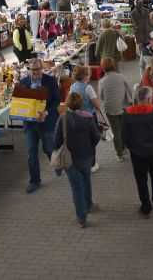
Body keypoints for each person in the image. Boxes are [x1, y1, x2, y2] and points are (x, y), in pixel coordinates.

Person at [54, 91, 100, 228]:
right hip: (86, 156)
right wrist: (90, 146)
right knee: (86, 179)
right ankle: (89, 204)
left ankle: (81, 218)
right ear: (81, 103)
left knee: (75, 187)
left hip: (69, 159)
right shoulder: (89, 118)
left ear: (67, 103)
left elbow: (56, 140)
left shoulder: (62, 119)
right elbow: (96, 137)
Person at [122, 86, 153, 218]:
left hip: (137, 154)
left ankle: (146, 206)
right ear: (148, 99)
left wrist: (132, 147)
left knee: (141, 180)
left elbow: (125, 136)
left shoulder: (127, 113)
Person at [19, 58, 61, 193]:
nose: (35, 72)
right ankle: (35, 181)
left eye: (38, 69)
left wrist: (46, 113)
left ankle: (57, 164)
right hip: (30, 124)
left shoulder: (50, 81)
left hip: (46, 121)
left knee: (49, 149)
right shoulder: (23, 82)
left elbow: (56, 100)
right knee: (31, 153)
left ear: (42, 68)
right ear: (29, 70)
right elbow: (20, 103)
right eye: (32, 69)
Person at [96, 56, 133, 162]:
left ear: (103, 68)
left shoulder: (102, 81)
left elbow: (102, 96)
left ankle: (119, 154)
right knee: (124, 128)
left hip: (110, 109)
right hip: (123, 106)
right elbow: (129, 90)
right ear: (114, 65)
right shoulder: (121, 77)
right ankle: (125, 147)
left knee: (116, 131)